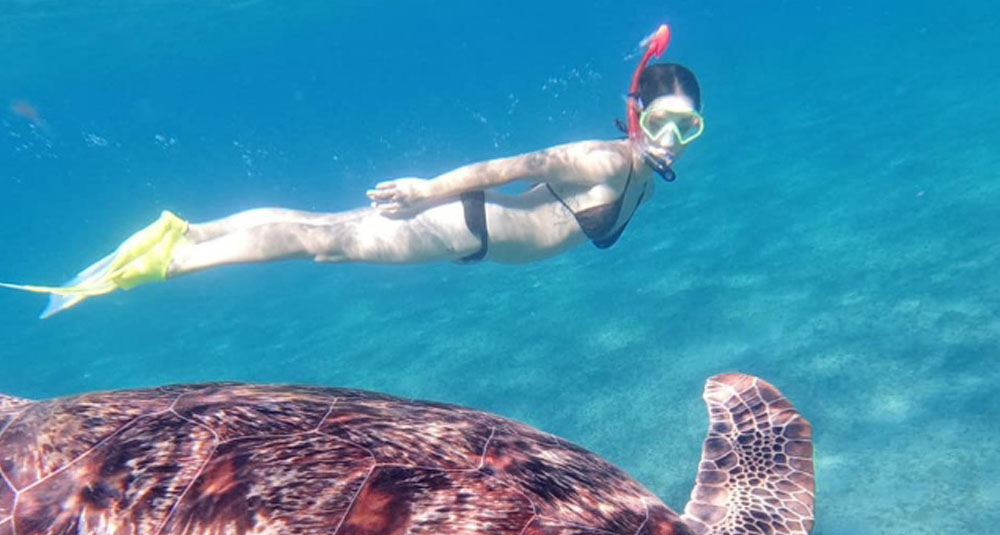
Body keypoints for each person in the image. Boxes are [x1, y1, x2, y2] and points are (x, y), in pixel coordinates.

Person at [2, 27, 703, 318]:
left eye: (688, 128)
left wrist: (653, 57)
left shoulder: (642, 167)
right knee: (322, 238)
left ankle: (183, 236)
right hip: (461, 224)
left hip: (471, 230)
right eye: (662, 121)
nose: (671, 139)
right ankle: (162, 259)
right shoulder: (608, 158)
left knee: (324, 231)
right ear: (634, 114)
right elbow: (522, 164)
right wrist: (428, 189)